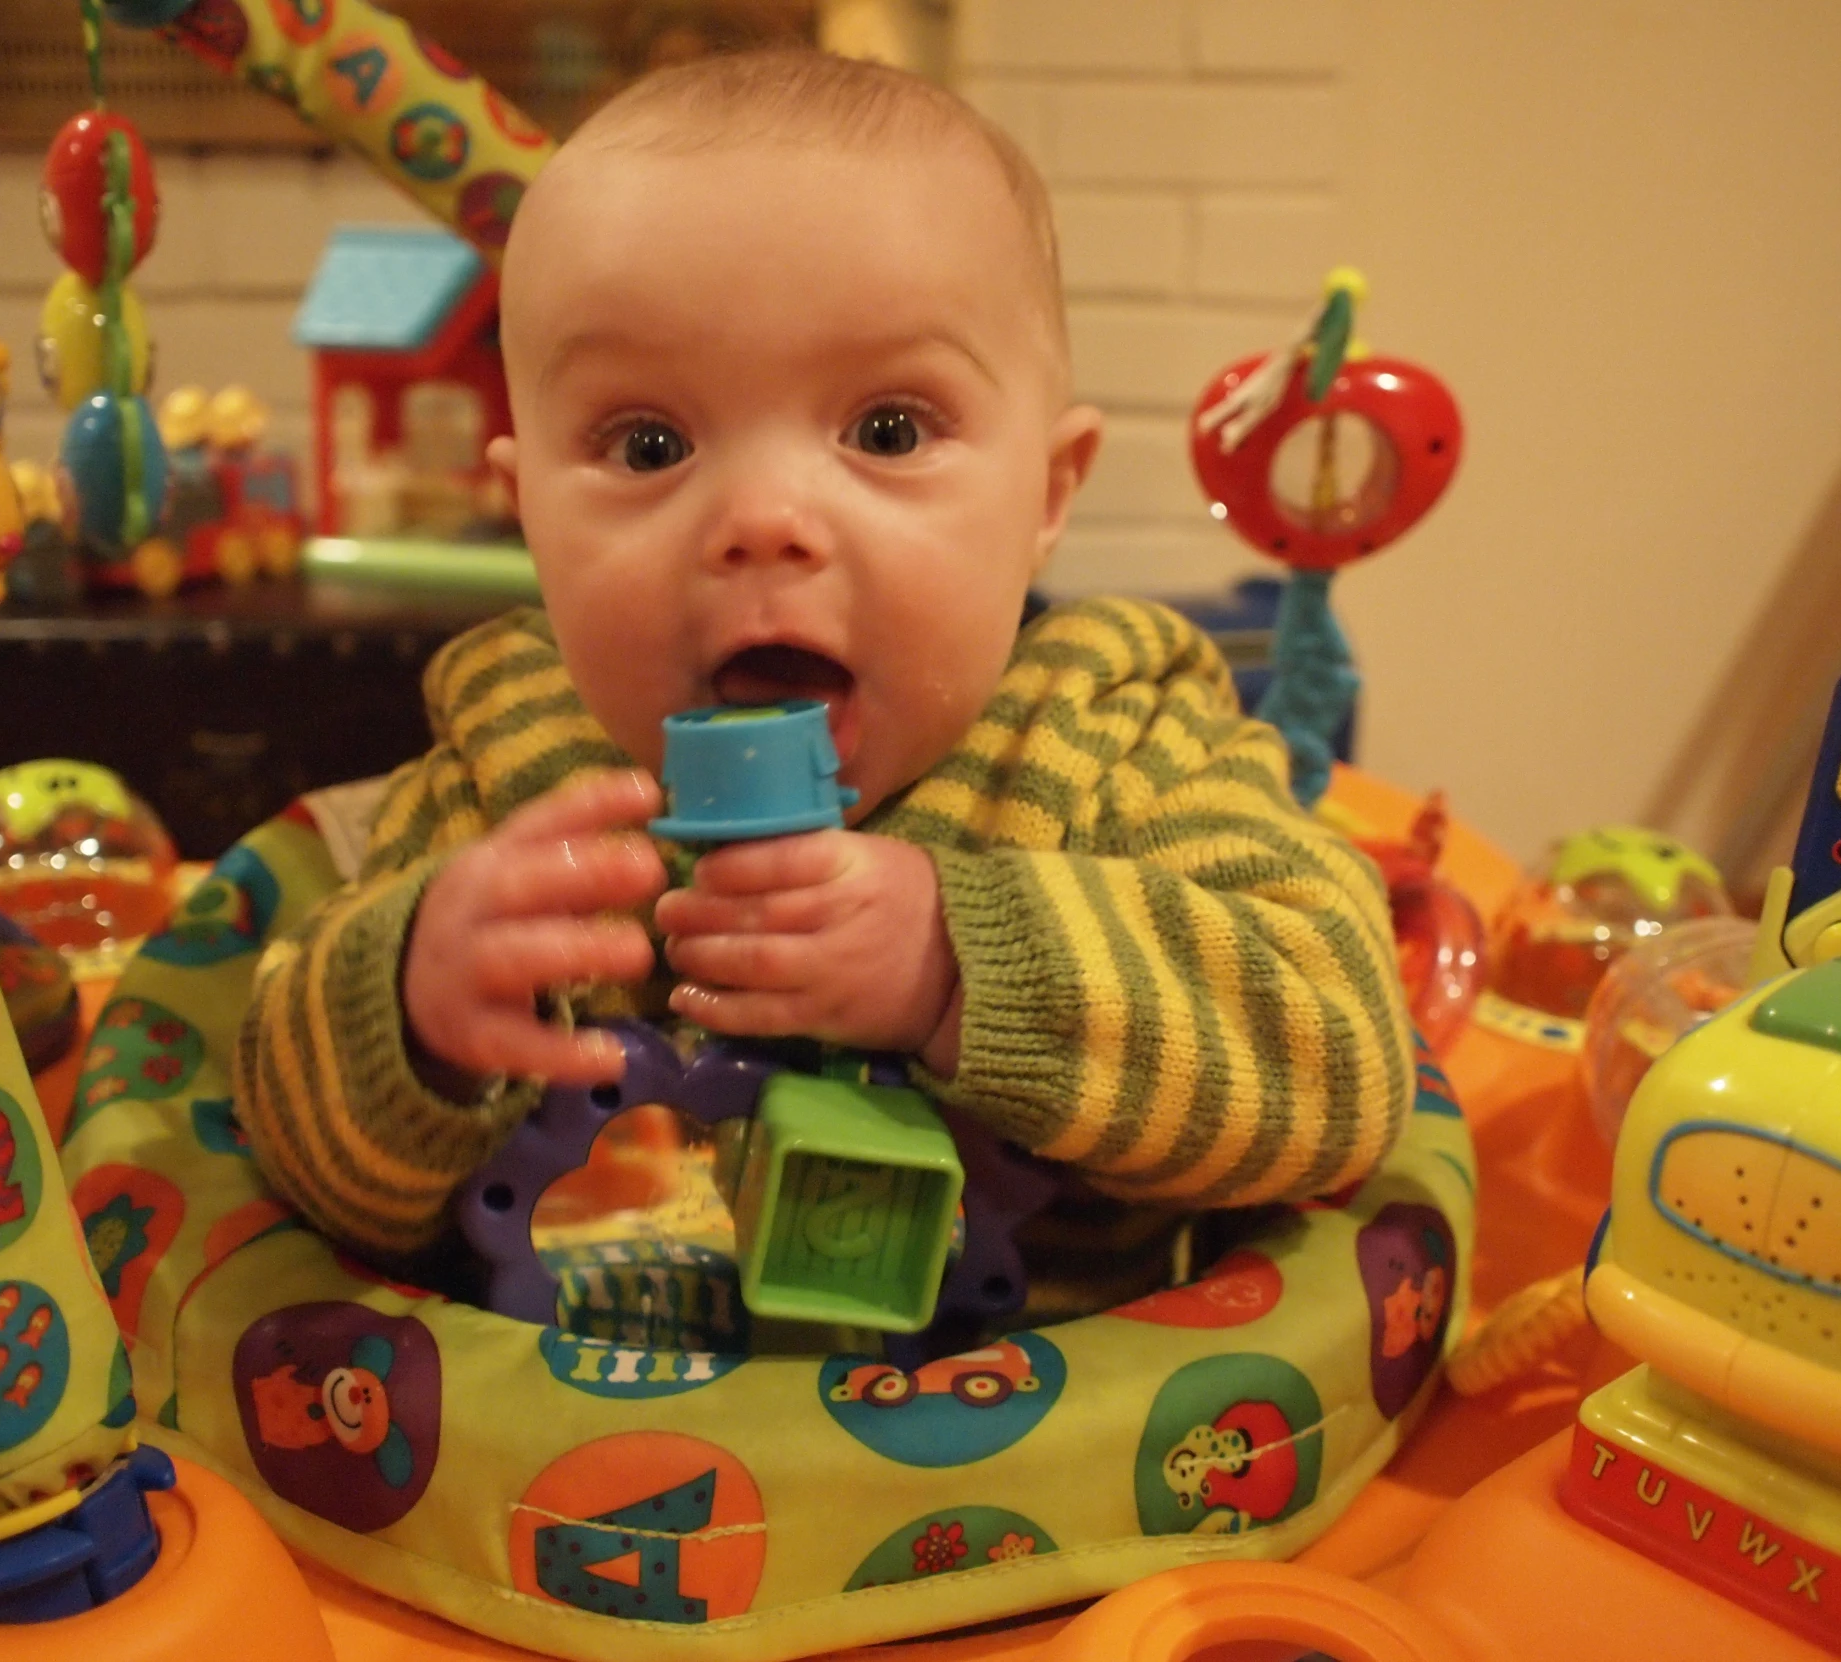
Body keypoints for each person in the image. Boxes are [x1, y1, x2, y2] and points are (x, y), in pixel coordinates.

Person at [233, 48, 1413, 1308]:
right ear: (528, 517)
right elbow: (294, 1152)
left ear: (1046, 498)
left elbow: (1342, 1068)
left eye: (887, 431)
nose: (760, 519)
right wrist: (414, 1021)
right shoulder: (514, 770)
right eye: (648, 444)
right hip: (583, 1459)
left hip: (1034, 1469)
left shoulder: (1111, 737)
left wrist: (956, 964)